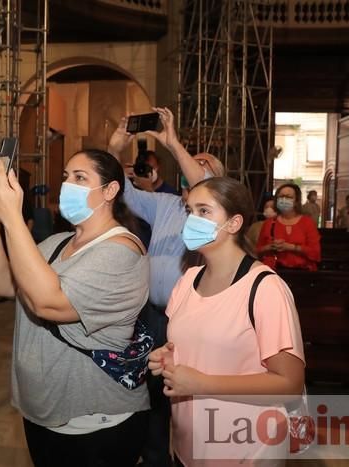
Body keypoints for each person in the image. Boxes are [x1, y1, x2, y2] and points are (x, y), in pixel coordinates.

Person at [0, 150, 150, 467]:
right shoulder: (58, 242)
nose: (68, 184)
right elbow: (3, 282)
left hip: (94, 420)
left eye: (81, 178)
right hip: (43, 409)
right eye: (66, 177)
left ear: (111, 191)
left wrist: (14, 217)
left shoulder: (122, 251)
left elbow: (48, 302)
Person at [148, 177, 305, 467]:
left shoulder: (266, 288)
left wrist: (203, 384)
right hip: (189, 443)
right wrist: (167, 356)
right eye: (189, 210)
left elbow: (289, 383)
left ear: (233, 224)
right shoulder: (188, 280)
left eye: (204, 211)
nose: (191, 220)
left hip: (245, 447)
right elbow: (193, 342)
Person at [108, 107, 224, 467]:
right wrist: (114, 151)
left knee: (188, 392)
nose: (196, 169)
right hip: (152, 315)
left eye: (204, 167)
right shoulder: (166, 204)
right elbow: (119, 190)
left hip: (192, 318)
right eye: (193, 163)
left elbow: (204, 186)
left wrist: (174, 144)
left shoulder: (220, 213)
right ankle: (156, 457)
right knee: (151, 392)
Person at [256, 183, 321, 271]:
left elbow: (315, 254)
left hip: (303, 273)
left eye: (288, 197)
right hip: (274, 272)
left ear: (296, 201)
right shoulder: (269, 223)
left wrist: (292, 247)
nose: (284, 199)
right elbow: (257, 251)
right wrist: (270, 247)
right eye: (281, 196)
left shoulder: (307, 223)